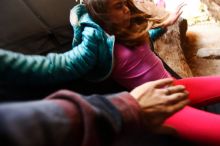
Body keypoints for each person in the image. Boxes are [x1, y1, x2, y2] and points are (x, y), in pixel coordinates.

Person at [0, 0, 219, 145]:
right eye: (118, 6)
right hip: (161, 105)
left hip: (172, 86)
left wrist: (164, 25)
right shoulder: (94, 43)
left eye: (125, 3)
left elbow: (140, 45)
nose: (125, 8)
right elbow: (58, 66)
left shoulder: (124, 29)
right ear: (103, 13)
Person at [0, 78, 189, 146]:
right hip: (142, 104)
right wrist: (128, 108)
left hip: (158, 90)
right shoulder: (98, 38)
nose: (126, 8)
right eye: (118, 5)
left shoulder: (131, 28)